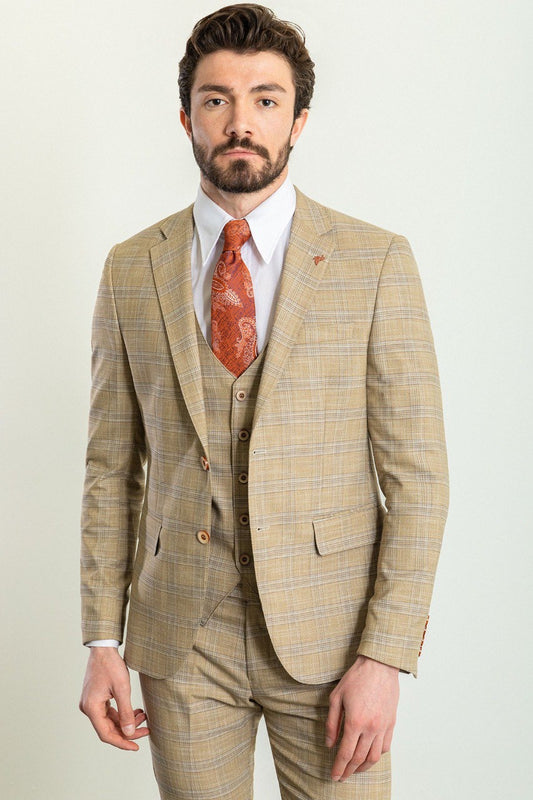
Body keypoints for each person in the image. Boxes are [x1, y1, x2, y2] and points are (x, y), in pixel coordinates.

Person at [79, 5, 449, 799]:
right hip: (181, 641)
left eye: (265, 100)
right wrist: (102, 639)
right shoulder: (129, 268)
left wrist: (384, 656)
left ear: (298, 120)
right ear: (186, 117)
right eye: (216, 100)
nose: (239, 122)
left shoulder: (374, 262)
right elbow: (111, 471)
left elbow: (417, 480)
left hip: (333, 642)